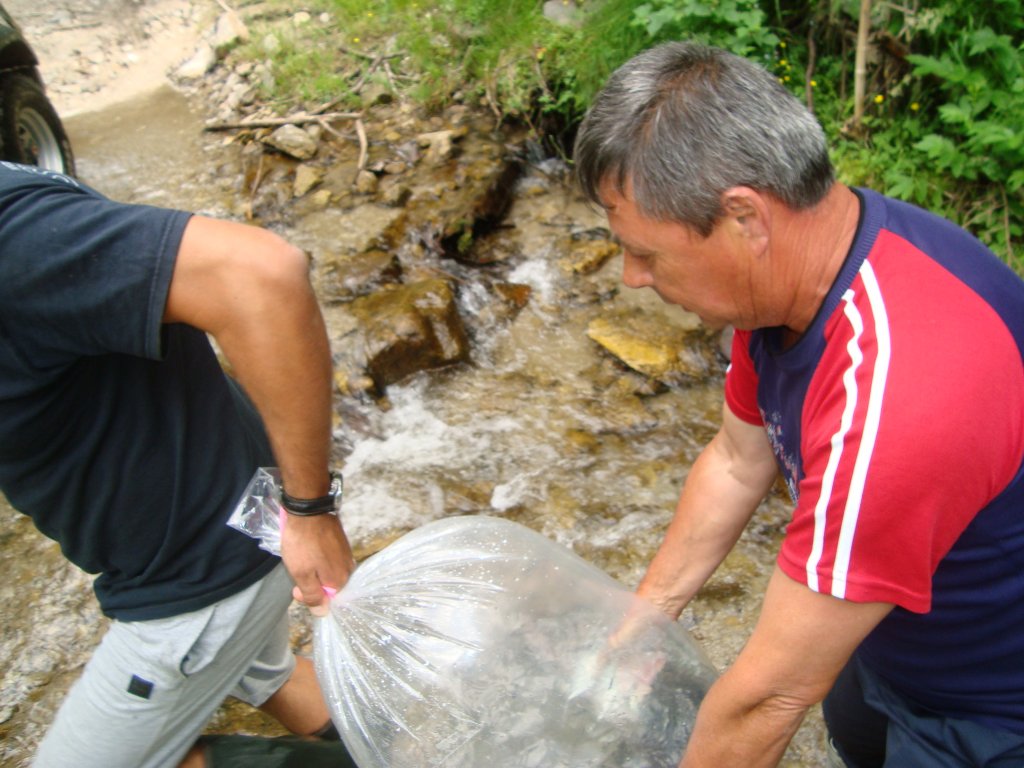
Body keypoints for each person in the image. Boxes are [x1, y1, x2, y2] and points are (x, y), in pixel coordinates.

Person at [573, 42, 1024, 767]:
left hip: (992, 708)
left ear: (745, 218)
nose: (630, 277)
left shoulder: (902, 387)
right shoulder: (794, 284)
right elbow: (734, 460)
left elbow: (771, 699)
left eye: (647, 253)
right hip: (886, 637)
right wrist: (643, 622)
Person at [0, 160, 358, 768]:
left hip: (200, 563)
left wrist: (311, 511)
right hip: (236, 514)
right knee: (271, 680)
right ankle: (403, 736)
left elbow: (259, 276)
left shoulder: (13, 233)